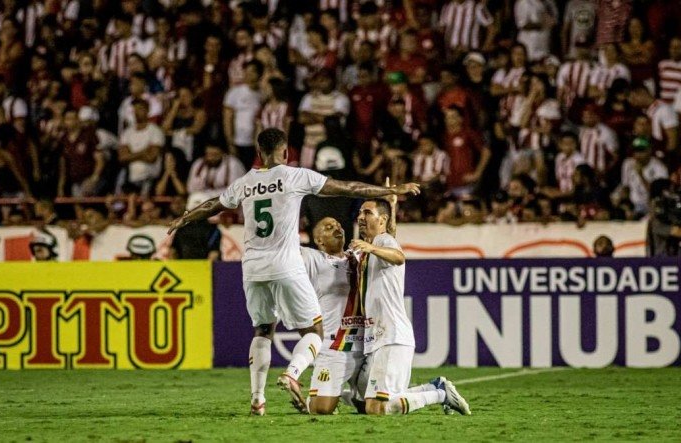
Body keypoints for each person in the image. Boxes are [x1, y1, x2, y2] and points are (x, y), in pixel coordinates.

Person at [167, 128, 420, 416]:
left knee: (263, 331)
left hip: (251, 267)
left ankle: (258, 399)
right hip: (284, 263)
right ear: (286, 152)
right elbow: (348, 188)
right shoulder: (295, 176)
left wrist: (184, 218)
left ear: (259, 154)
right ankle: (292, 373)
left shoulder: (246, 182)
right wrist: (388, 191)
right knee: (315, 331)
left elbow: (214, 205)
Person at [350, 199, 469, 415]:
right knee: (361, 402)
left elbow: (399, 257)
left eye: (367, 213)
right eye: (360, 212)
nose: (360, 217)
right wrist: (392, 206)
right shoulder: (373, 245)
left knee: (378, 409)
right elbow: (388, 234)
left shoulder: (383, 242)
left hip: (392, 337)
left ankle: (440, 394)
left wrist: (372, 246)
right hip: (375, 338)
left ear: (382, 219)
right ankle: (434, 387)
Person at [301, 217, 366, 415]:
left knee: (375, 407)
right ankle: (324, 396)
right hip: (335, 347)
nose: (337, 228)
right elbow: (283, 248)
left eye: (338, 225)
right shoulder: (313, 258)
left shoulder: (358, 256)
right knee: (320, 410)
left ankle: (436, 391)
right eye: (329, 228)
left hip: (366, 346)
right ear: (318, 240)